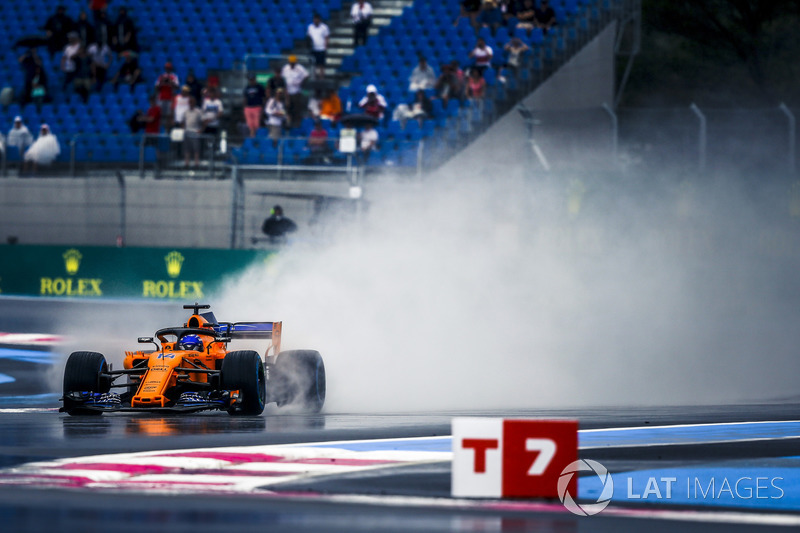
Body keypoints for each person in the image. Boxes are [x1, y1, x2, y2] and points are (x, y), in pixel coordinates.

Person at [281, 55, 309, 129]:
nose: (292, 64)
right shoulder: (285, 68)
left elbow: (306, 75)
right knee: (288, 108)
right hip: (288, 92)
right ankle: (288, 123)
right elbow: (283, 78)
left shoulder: (299, 68)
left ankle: (297, 124)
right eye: (291, 62)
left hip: (297, 91)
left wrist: (301, 82)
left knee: (297, 109)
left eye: (293, 62)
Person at [155, 62, 180, 128]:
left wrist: (171, 82)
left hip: (170, 98)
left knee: (169, 114)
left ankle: (167, 127)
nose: (168, 69)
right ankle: (161, 127)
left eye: (169, 68)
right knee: (160, 114)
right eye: (166, 68)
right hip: (161, 97)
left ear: (171, 68)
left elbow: (177, 87)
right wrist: (161, 82)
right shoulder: (161, 76)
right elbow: (156, 87)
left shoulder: (174, 76)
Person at [306, 13, 330, 79]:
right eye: (314, 19)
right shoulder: (310, 27)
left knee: (321, 65)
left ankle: (321, 78)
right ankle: (314, 77)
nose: (315, 21)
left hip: (321, 48)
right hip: (313, 49)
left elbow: (327, 37)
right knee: (314, 65)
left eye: (317, 19)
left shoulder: (324, 27)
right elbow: (308, 37)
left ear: (319, 20)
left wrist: (326, 47)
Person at [182, 96, 203, 168]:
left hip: (195, 132)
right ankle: (186, 164)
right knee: (186, 149)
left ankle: (196, 164)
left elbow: (203, 121)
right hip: (187, 131)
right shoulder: (185, 112)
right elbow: (183, 121)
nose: (191, 104)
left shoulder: (198, 111)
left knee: (196, 149)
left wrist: (201, 130)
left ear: (195, 103)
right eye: (190, 102)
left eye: (192, 102)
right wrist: (183, 129)